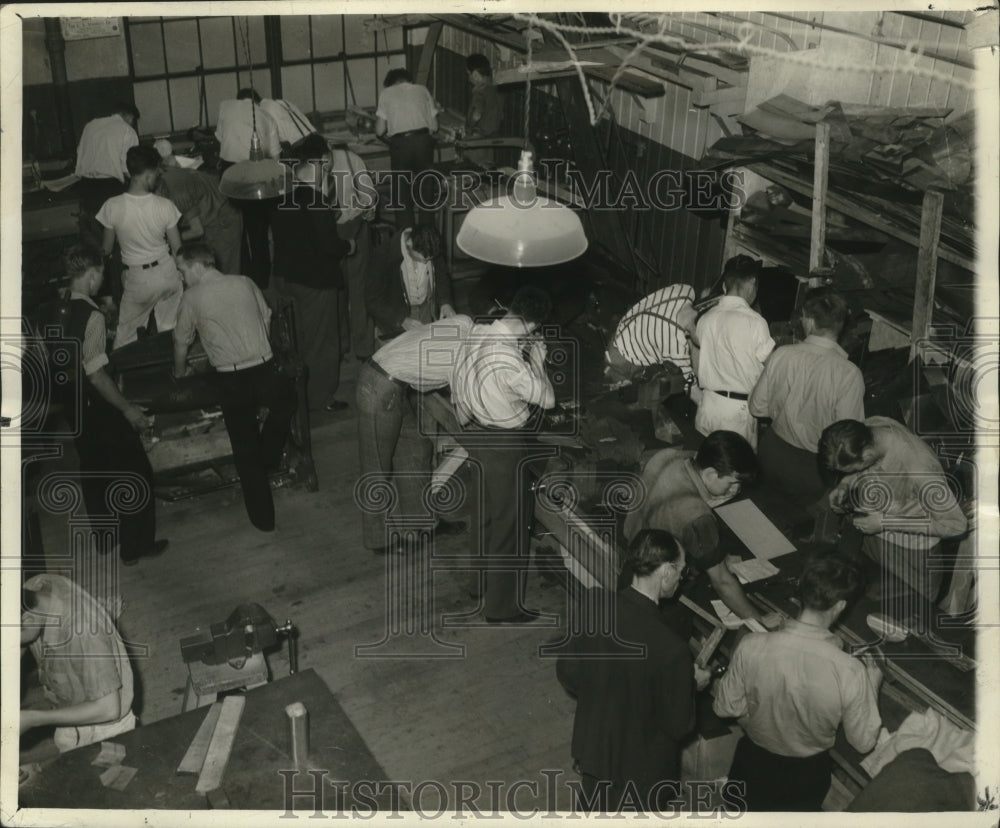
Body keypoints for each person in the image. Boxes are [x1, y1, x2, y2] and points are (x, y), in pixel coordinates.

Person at [713, 555, 883, 811]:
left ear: (800, 595)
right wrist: (872, 686)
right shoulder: (851, 671)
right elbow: (863, 742)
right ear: (839, 607)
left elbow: (725, 708)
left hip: (752, 765)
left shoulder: (752, 646)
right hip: (805, 777)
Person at [557, 530, 709, 812]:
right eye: (681, 569)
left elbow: (568, 672)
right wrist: (691, 684)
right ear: (665, 571)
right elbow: (678, 725)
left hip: (596, 751)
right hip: (641, 772)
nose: (682, 577)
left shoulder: (594, 604)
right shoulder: (672, 650)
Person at [50, 244, 168, 565]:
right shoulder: (92, 316)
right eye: (101, 273)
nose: (102, 280)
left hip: (70, 401)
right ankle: (135, 545)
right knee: (134, 470)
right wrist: (127, 409)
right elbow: (98, 375)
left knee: (93, 466)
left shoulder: (55, 307)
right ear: (91, 275)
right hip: (95, 400)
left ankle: (106, 538)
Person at [172, 243, 297, 532]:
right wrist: (256, 345)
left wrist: (179, 372)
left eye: (182, 271)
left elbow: (181, 341)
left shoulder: (192, 297)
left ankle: (264, 519)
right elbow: (265, 317)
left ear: (196, 266)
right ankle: (269, 455)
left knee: (245, 450)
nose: (181, 277)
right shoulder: (244, 281)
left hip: (231, 379)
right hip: (266, 369)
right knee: (286, 404)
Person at [450, 287, 556, 623]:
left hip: (477, 435)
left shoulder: (477, 332)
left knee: (484, 513)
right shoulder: (510, 359)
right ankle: (502, 608)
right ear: (533, 324)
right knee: (509, 526)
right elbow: (548, 399)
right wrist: (537, 362)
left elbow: (458, 376)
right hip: (504, 443)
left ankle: (479, 582)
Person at [623, 431, 776, 627]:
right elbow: (722, 582)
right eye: (732, 483)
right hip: (658, 591)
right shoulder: (697, 516)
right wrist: (759, 619)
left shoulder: (666, 455)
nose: (736, 490)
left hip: (632, 550)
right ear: (711, 473)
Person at [749, 288, 864, 539]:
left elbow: (756, 407)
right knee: (799, 534)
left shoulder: (782, 354)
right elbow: (848, 440)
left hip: (772, 453)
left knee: (763, 524)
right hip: (813, 470)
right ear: (840, 325)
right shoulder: (849, 374)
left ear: (809, 321)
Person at [356, 314, 475, 553]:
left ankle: (422, 525)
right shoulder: (465, 360)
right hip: (378, 387)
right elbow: (463, 417)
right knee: (377, 465)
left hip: (392, 382)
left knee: (416, 448)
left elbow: (422, 380)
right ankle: (379, 540)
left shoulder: (464, 322)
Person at [819, 418, 968, 603]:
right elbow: (858, 467)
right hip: (875, 535)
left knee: (911, 609)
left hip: (911, 553)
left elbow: (957, 526)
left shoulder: (919, 467)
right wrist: (845, 483)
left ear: (867, 455)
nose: (852, 472)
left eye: (853, 468)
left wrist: (885, 522)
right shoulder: (871, 427)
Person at [270, 160, 355, 413]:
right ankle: (320, 400)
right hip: (315, 282)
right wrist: (349, 245)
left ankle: (295, 393)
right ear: (317, 177)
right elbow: (329, 247)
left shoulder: (281, 198)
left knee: (297, 338)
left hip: (286, 278)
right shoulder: (318, 201)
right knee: (322, 343)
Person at [20, 574, 137, 754]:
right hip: (67, 717)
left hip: (107, 729)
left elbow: (108, 709)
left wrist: (33, 719)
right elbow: (20, 643)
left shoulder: (83, 631)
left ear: (27, 621)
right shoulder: (33, 591)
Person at [293, 133, 378, 360]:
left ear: (329, 148)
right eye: (318, 164)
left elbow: (369, 196)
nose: (324, 167)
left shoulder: (352, 161)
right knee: (334, 293)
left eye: (325, 160)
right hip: (327, 237)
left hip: (356, 230)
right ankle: (340, 346)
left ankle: (363, 348)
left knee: (360, 293)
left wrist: (356, 209)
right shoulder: (305, 171)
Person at [97, 145, 183, 349]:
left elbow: (107, 249)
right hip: (167, 273)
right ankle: (172, 368)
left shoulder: (112, 205)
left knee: (126, 337)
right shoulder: (165, 205)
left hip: (138, 279)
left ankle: (125, 379)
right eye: (156, 173)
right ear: (149, 174)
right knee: (171, 329)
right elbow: (178, 249)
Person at [694, 255, 775, 448]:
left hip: (707, 407)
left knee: (705, 470)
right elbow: (772, 368)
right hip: (736, 415)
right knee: (736, 472)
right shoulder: (755, 322)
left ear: (724, 286)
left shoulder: (706, 319)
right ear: (752, 283)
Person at [216, 88, 282, 289]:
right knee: (258, 230)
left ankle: (240, 275)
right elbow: (276, 157)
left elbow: (220, 137)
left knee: (235, 226)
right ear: (257, 102)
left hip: (230, 172)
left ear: (239, 99)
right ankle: (260, 280)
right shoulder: (267, 117)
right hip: (255, 173)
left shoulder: (225, 107)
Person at [154, 139, 243, 276]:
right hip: (215, 210)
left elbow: (197, 231)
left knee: (223, 275)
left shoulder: (175, 191)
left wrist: (166, 239)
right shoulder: (167, 173)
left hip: (224, 218)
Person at [366, 225, 456, 342]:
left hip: (425, 310)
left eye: (429, 259)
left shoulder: (431, 246)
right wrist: (400, 320)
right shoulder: (383, 254)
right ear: (409, 243)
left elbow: (441, 277)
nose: (425, 262)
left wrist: (445, 303)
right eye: (421, 259)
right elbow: (371, 299)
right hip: (396, 316)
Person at [374, 68, 439, 228]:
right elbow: (434, 127)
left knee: (402, 194)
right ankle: (427, 238)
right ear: (408, 80)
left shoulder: (386, 93)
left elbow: (379, 131)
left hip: (401, 146)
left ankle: (405, 236)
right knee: (426, 192)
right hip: (424, 143)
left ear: (390, 84)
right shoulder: (423, 90)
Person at [605, 283, 698, 384]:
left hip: (625, 331)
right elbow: (690, 385)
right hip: (622, 358)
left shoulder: (685, 292)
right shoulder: (675, 344)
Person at [74, 102, 140, 226]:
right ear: (129, 116)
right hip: (109, 187)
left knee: (93, 228)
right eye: (133, 120)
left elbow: (80, 152)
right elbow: (128, 167)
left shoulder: (91, 125)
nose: (132, 123)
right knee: (115, 227)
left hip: (86, 185)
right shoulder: (127, 130)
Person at [461, 54, 503, 169]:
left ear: (475, 74)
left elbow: (476, 114)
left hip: (477, 141)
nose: (468, 77)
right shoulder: (495, 88)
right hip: (491, 140)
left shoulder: (480, 92)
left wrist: (468, 129)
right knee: (486, 169)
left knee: (472, 170)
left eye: (468, 74)